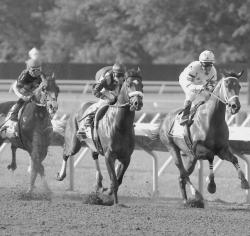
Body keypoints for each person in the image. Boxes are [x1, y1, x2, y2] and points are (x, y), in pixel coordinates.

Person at [77, 62, 126, 138]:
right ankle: (85, 124)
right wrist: (105, 98)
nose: (120, 78)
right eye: (118, 76)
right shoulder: (107, 78)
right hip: (103, 83)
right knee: (105, 102)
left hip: (113, 86)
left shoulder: (124, 79)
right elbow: (95, 91)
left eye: (122, 76)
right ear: (113, 74)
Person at [0, 57, 45, 136]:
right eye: (35, 70)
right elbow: (19, 88)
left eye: (39, 69)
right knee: (24, 99)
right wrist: (25, 96)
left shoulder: (40, 75)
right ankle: (13, 115)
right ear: (29, 69)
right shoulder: (24, 75)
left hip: (31, 89)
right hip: (19, 88)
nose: (37, 72)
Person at [179, 50, 218, 125]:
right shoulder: (194, 67)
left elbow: (212, 85)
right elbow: (188, 84)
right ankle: (184, 116)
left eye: (210, 64)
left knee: (208, 96)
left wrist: (208, 88)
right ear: (200, 63)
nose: (208, 68)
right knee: (192, 94)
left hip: (200, 81)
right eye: (205, 65)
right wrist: (198, 87)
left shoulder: (213, 71)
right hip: (186, 81)